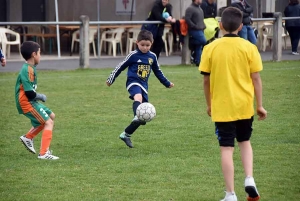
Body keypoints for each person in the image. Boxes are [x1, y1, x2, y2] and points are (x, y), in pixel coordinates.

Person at [199, 7, 267, 201]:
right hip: (244, 106)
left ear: (220, 26)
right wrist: (259, 105)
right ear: (241, 26)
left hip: (222, 106)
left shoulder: (210, 48)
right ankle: (249, 179)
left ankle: (230, 194)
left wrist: (209, 104)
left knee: (226, 148)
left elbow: (206, 80)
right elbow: (256, 79)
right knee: (245, 142)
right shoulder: (249, 48)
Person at [106, 30, 174, 148]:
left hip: (144, 86)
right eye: (142, 45)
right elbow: (120, 66)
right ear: (137, 43)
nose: (144, 47)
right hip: (133, 83)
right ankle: (136, 115)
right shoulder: (133, 55)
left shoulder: (152, 57)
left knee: (144, 116)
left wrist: (167, 83)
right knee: (138, 99)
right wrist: (111, 79)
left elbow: (158, 72)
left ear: (151, 44)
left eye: (147, 45)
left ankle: (126, 134)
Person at [16, 41, 59, 160]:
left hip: (31, 101)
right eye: (39, 53)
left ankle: (28, 137)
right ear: (34, 54)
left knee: (52, 116)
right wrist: (39, 96)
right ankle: (44, 153)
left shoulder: (31, 68)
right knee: (48, 122)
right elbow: (29, 93)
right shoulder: (27, 70)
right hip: (26, 103)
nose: (40, 56)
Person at [185, 0, 207, 66]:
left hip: (201, 29)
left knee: (199, 46)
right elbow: (187, 19)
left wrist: (203, 25)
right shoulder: (190, 8)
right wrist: (194, 26)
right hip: (194, 30)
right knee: (204, 41)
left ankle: (198, 61)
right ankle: (192, 43)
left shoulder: (200, 8)